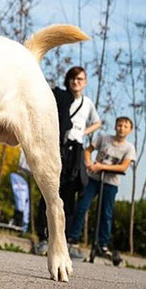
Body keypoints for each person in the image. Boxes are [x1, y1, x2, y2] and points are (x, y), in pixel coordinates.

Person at [66, 116, 135, 257]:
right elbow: (88, 151)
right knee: (82, 206)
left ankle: (102, 245)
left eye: (125, 126)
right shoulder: (103, 138)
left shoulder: (129, 148)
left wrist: (101, 166)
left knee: (106, 214)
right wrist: (89, 163)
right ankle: (73, 239)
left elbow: (123, 167)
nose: (122, 128)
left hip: (111, 182)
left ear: (130, 130)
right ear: (115, 126)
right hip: (94, 179)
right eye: (119, 125)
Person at [54, 66, 102, 257]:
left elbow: (97, 122)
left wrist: (84, 132)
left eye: (80, 79)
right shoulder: (60, 97)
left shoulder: (87, 103)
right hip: (58, 144)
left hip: (76, 149)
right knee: (51, 189)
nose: (76, 82)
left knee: (71, 193)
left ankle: (67, 240)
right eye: (73, 78)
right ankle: (44, 236)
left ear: (86, 82)